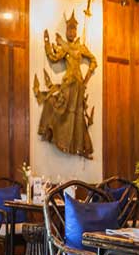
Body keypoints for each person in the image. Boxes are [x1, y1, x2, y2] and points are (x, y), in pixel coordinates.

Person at [33, 10, 97, 159]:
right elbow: (53, 57)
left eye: (74, 29)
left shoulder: (80, 47)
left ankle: (79, 147)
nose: (71, 32)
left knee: (78, 118)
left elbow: (94, 60)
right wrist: (47, 43)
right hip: (67, 84)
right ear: (66, 30)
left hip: (78, 85)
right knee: (57, 108)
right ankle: (52, 133)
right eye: (69, 29)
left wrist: (87, 77)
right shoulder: (64, 48)